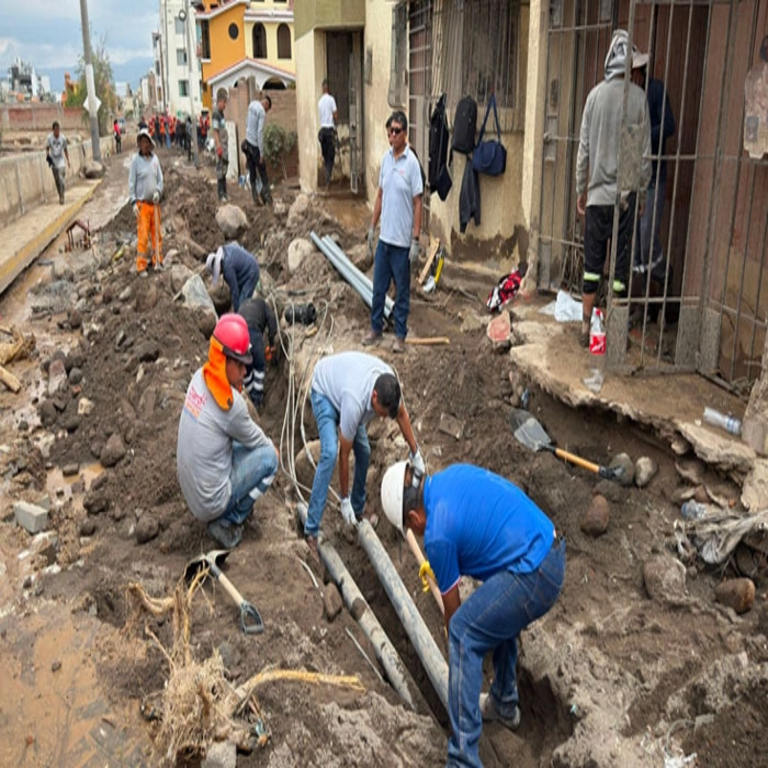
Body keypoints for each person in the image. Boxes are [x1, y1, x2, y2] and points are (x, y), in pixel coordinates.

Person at [380, 461, 566, 768]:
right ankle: (504, 704)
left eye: (412, 527)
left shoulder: (437, 534)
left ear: (413, 516)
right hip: (546, 548)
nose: (417, 532)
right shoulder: (450, 477)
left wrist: (459, 658)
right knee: (491, 613)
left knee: (465, 635)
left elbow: (455, 621)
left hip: (536, 572)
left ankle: (462, 759)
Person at [303, 351, 424, 558]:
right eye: (382, 412)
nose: (385, 418)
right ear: (374, 397)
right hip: (324, 391)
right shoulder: (354, 402)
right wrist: (343, 498)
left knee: (365, 451)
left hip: (344, 387)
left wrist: (416, 453)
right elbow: (344, 454)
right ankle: (311, 529)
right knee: (330, 453)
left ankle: (358, 511)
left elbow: (401, 414)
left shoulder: (389, 385)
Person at [575, 29, 651, 348]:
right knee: (620, 269)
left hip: (596, 197)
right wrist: (641, 194)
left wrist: (581, 189)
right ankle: (617, 334)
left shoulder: (594, 97)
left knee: (592, 265)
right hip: (624, 198)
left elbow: (584, 151)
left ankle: (584, 328)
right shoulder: (637, 99)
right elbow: (640, 157)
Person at [177, 314, 278, 550]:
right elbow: (262, 446)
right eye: (240, 364)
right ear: (224, 360)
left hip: (192, 492)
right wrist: (273, 446)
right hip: (210, 503)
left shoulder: (198, 378)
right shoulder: (231, 407)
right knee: (271, 460)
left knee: (233, 443)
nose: (245, 371)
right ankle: (228, 520)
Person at [362, 110, 423, 354]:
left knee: (402, 292)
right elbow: (380, 196)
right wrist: (371, 227)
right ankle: (375, 329)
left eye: (397, 131)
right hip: (385, 241)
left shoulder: (412, 164)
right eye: (390, 131)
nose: (392, 135)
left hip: (401, 243)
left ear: (405, 134)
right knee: (378, 288)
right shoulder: (386, 160)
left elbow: (419, 202)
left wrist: (415, 239)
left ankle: (400, 335)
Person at [631, 48, 676, 309]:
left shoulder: (656, 91)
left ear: (638, 72)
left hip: (654, 176)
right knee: (636, 245)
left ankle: (664, 274)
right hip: (635, 176)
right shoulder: (631, 97)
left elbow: (669, 125)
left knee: (647, 241)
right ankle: (647, 303)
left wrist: (645, 134)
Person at [128, 127, 164, 276]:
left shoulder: (155, 160)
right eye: (142, 142)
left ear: (150, 144)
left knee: (157, 234)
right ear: (139, 144)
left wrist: (158, 192)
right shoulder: (136, 162)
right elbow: (131, 183)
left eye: (146, 142)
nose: (144, 145)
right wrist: (133, 202)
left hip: (154, 204)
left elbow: (160, 180)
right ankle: (141, 266)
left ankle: (157, 260)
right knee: (143, 236)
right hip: (142, 205)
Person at [238, 297, 278, 410]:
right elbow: (272, 323)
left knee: (246, 368)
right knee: (259, 366)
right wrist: (272, 344)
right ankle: (257, 400)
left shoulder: (244, 304)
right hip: (254, 333)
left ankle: (250, 396)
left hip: (240, 334)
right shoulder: (265, 306)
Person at [205, 243, 260, 312]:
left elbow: (235, 292)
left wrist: (236, 312)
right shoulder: (225, 251)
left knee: (242, 305)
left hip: (251, 272)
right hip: (245, 270)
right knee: (239, 300)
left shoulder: (228, 268)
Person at [244, 94, 272, 205]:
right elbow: (260, 132)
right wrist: (261, 153)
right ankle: (268, 198)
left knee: (252, 171)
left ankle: (255, 197)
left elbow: (247, 123)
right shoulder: (261, 112)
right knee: (263, 173)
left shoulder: (251, 105)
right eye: (267, 109)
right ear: (266, 104)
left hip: (248, 142)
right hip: (255, 145)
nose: (266, 112)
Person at [317, 79, 338, 190]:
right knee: (331, 155)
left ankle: (327, 177)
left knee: (325, 155)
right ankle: (328, 179)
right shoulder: (331, 99)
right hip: (330, 131)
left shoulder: (320, 102)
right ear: (328, 88)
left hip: (322, 132)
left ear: (322, 89)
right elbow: (335, 114)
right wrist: (336, 124)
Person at [45, 121, 71, 205]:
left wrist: (68, 160)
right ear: (53, 130)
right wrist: (47, 156)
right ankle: (60, 195)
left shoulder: (63, 138)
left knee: (61, 179)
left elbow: (65, 149)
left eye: (58, 130)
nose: (57, 132)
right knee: (57, 180)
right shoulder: (49, 138)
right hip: (53, 161)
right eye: (55, 130)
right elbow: (47, 147)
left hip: (61, 161)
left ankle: (62, 196)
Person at [212, 89, 230, 203]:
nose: (225, 105)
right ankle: (220, 194)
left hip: (224, 146)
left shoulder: (221, 114)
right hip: (220, 147)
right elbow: (215, 131)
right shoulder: (216, 114)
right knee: (220, 170)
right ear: (220, 101)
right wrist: (218, 147)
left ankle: (225, 193)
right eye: (224, 102)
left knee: (224, 170)